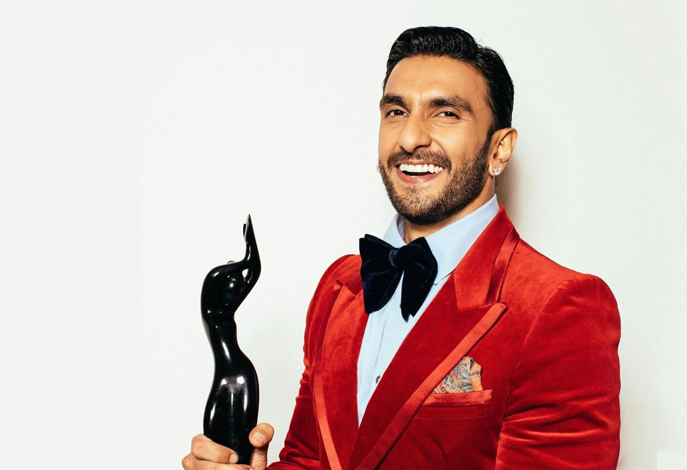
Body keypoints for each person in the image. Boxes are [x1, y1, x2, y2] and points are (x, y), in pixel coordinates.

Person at [183, 26, 620, 470]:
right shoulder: (340, 286)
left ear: (500, 149)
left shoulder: (561, 306)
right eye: (396, 111)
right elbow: (310, 460)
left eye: (445, 113)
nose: (410, 138)